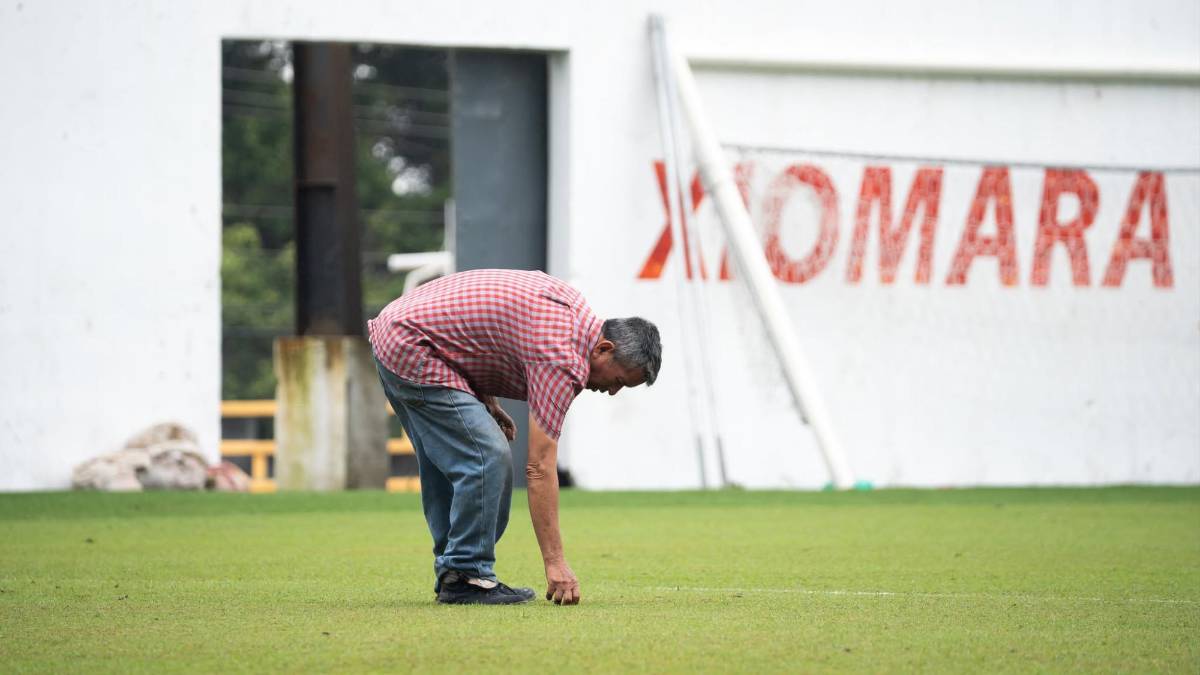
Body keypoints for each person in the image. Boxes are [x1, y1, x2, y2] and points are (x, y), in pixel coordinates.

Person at [368, 269, 661, 605]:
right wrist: (556, 564)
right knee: (487, 455)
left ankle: (456, 571)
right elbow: (539, 467)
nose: (611, 392)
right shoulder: (563, 357)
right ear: (604, 349)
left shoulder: (574, 311)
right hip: (412, 345)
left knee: (447, 463)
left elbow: (481, 330)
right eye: (619, 381)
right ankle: (466, 575)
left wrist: (486, 399)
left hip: (399, 331)